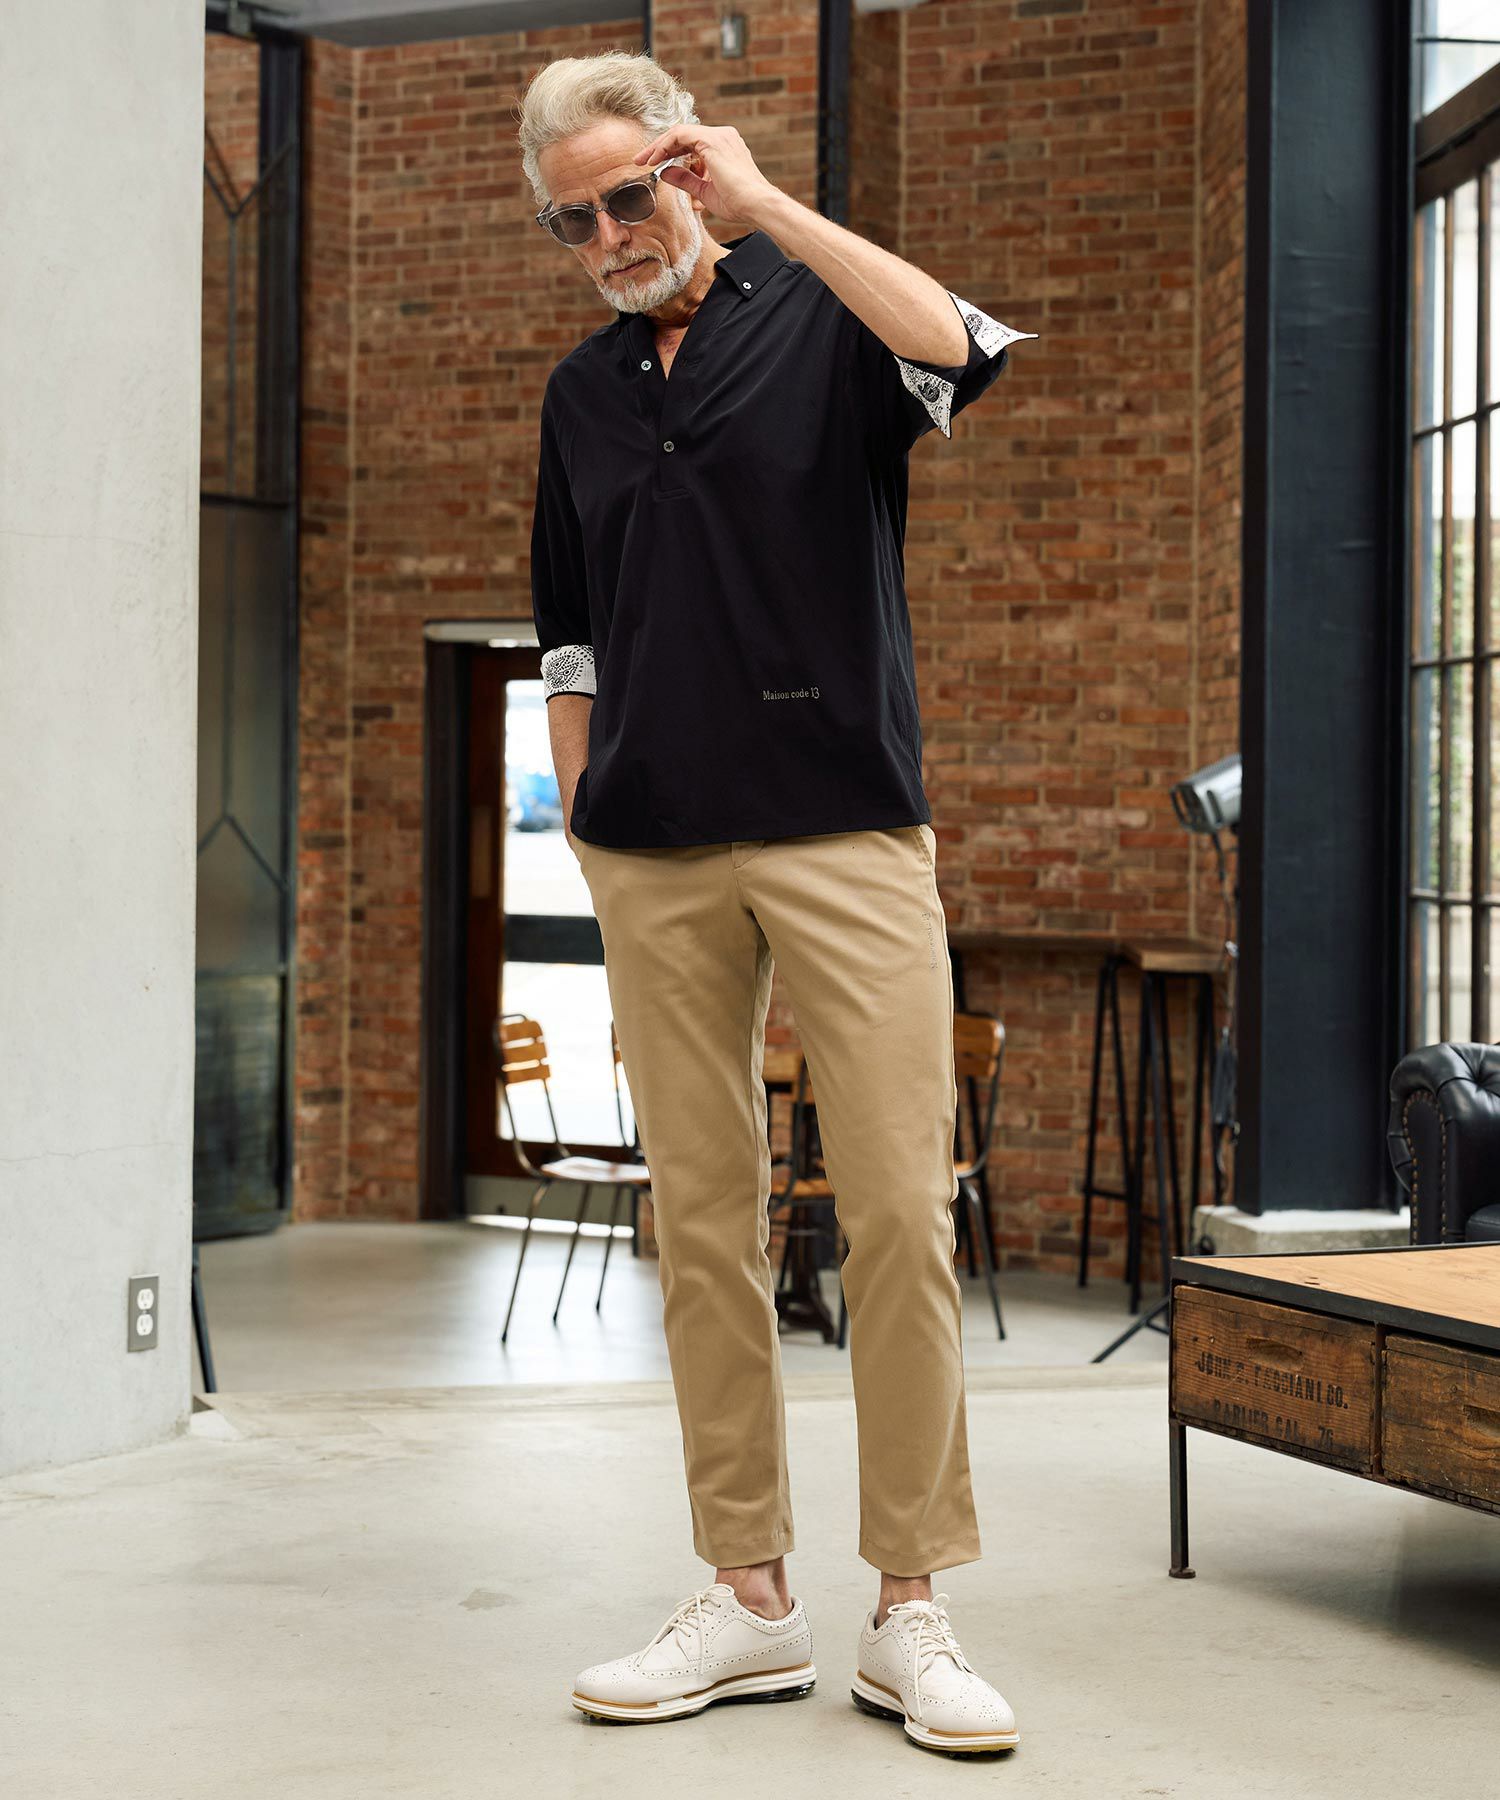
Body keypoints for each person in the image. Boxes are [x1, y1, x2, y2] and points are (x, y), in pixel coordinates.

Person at [517, 48, 1035, 1756]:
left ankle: (911, 1610)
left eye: (629, 196)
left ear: (685, 168)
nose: (609, 236)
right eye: (574, 219)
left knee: (896, 1211)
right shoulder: (582, 396)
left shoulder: (820, 316)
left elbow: (964, 350)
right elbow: (568, 626)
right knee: (703, 1227)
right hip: (652, 849)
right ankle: (747, 1598)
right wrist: (583, 802)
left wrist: (769, 209)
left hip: (844, 826)